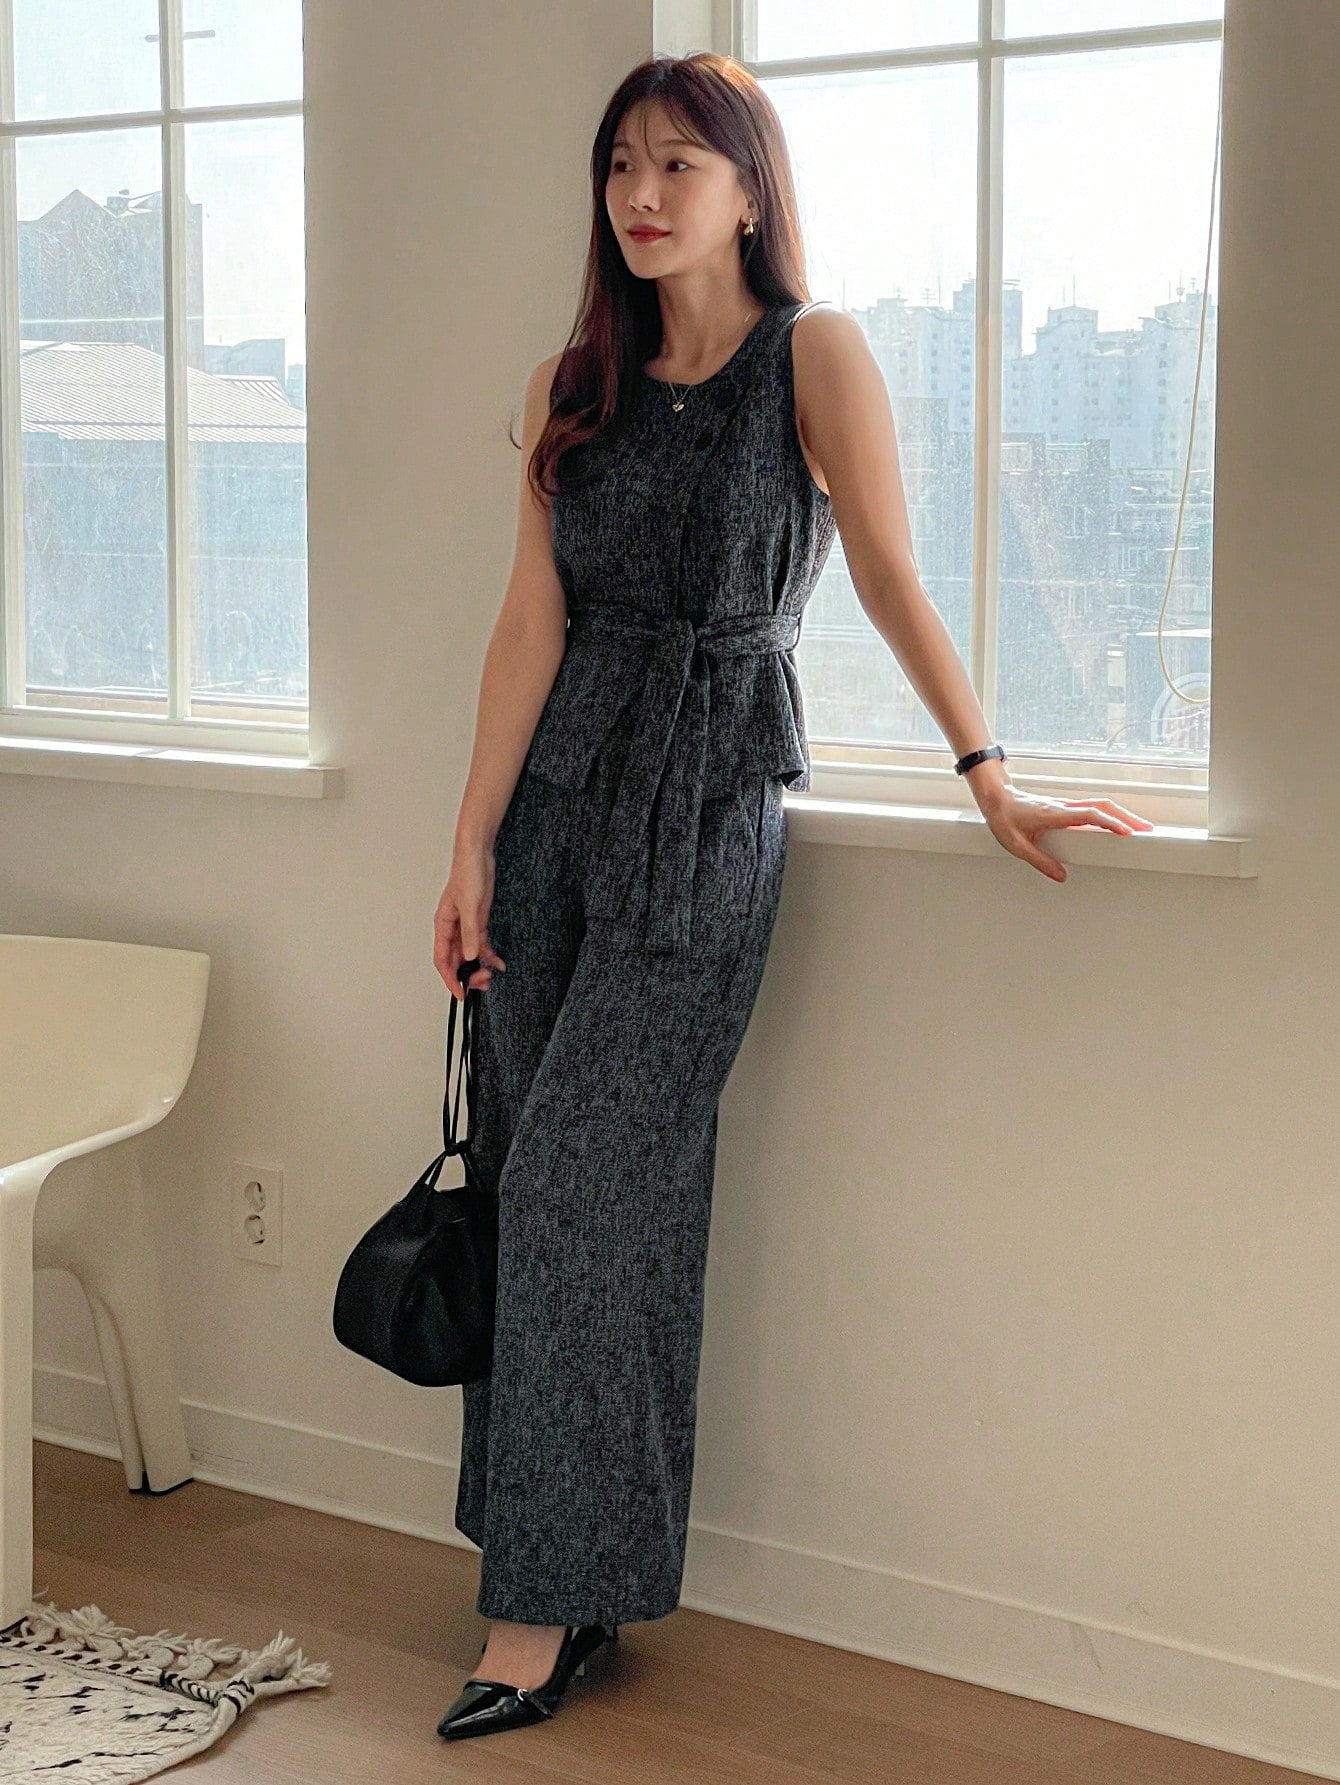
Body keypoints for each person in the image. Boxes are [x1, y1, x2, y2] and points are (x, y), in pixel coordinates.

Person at [430, 50, 1154, 1743]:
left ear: (750, 189)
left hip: (707, 806)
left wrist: (988, 770)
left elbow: (888, 568)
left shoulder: (811, 357)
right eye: (622, 163)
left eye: (680, 163)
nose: (643, 192)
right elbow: (528, 622)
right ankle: (571, 1572)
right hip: (555, 814)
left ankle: (534, 1610)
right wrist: (467, 845)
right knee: (553, 1181)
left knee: (584, 1187)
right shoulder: (569, 385)